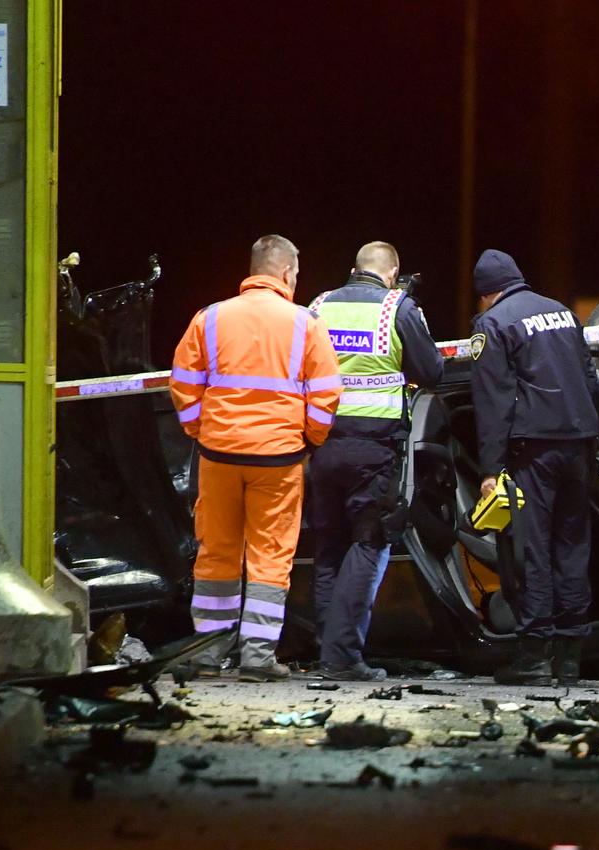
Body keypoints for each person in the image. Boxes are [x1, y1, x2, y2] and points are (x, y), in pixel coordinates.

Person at [169, 235, 342, 681]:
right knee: (270, 556)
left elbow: (184, 384)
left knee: (216, 551)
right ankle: (257, 658)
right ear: (286, 272)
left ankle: (207, 654)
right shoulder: (305, 323)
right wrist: (309, 439)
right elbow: (325, 394)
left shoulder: (209, 318)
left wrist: (200, 429)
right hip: (278, 459)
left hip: (219, 454)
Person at [306, 242, 444, 680]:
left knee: (329, 548)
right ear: (393, 273)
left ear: (354, 270)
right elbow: (433, 372)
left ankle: (326, 650)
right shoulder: (397, 308)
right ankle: (343, 657)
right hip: (374, 451)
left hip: (323, 446)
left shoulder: (319, 305)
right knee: (370, 544)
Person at [468, 249, 599, 685]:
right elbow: (589, 381)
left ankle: (534, 659)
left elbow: (492, 402)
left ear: (486, 294)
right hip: (579, 445)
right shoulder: (560, 313)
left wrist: (490, 468)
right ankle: (570, 659)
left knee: (534, 551)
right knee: (572, 548)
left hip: (534, 451)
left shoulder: (492, 323)